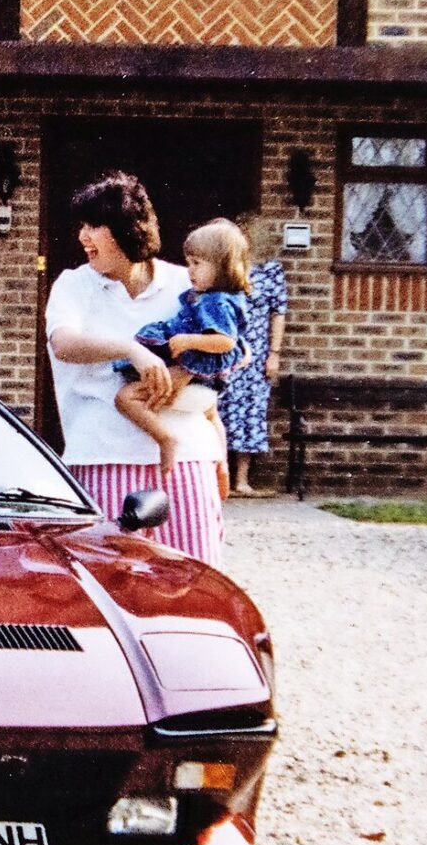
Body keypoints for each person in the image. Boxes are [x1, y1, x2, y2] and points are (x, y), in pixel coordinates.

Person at [43, 172, 229, 565]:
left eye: (95, 225)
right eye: (82, 225)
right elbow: (64, 345)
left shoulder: (186, 283)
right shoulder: (73, 285)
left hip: (187, 458)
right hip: (104, 455)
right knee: (114, 579)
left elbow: (233, 346)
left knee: (193, 578)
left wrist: (184, 374)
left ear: (128, 229)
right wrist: (132, 350)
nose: (83, 237)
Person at [111, 218, 251, 471]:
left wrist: (189, 340)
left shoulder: (216, 302)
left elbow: (225, 341)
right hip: (203, 380)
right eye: (189, 263)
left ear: (221, 267)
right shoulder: (220, 298)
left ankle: (166, 439)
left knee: (125, 398)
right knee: (211, 414)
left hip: (193, 374)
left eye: (197, 263)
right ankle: (222, 465)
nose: (190, 270)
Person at [224, 215, 291, 497]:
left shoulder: (270, 271)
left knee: (250, 414)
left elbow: (279, 313)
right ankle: (220, 481)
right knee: (221, 411)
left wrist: (273, 353)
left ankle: (241, 480)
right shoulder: (227, 268)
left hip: (255, 356)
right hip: (225, 350)